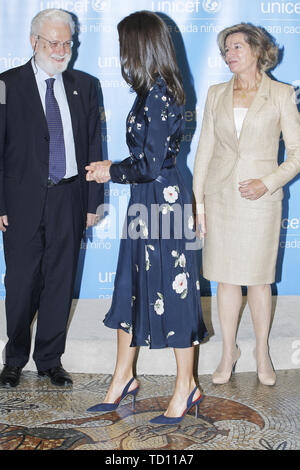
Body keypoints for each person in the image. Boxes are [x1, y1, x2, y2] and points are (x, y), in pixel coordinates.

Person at [85, 11, 208, 423]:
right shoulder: (151, 90)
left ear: (140, 46)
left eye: (126, 45)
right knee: (131, 283)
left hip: (164, 200)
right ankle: (123, 376)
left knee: (175, 290)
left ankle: (186, 385)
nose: (122, 53)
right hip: (147, 199)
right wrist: (115, 165)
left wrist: (111, 171)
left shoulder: (160, 92)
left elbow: (152, 163)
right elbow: (145, 157)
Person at [0, 9, 103, 387]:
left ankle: (49, 360)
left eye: (66, 43)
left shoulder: (86, 85)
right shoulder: (5, 83)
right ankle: (13, 359)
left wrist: (93, 202)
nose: (61, 50)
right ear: (34, 42)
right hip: (21, 202)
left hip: (70, 199)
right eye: (52, 42)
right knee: (22, 283)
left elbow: (94, 144)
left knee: (60, 282)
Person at [193, 23, 300, 386]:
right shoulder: (215, 93)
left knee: (257, 280)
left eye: (237, 47)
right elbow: (204, 151)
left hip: (261, 201)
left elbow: (297, 154)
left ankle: (261, 351)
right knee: (225, 280)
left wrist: (267, 182)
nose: (229, 54)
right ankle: (228, 352)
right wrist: (199, 205)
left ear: (257, 50)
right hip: (220, 198)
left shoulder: (282, 94)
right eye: (226, 49)